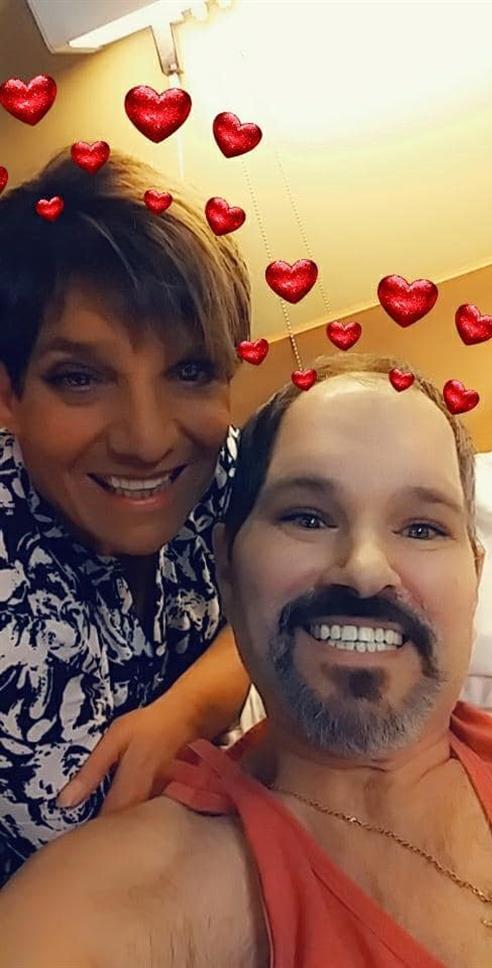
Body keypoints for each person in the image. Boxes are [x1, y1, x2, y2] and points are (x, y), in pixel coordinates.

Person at [0, 354, 492, 968]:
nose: (365, 570)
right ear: (227, 568)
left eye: (421, 528)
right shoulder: (123, 905)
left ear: (475, 573)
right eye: (307, 517)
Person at [0, 147, 252, 886]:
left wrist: (192, 704)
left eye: (190, 370)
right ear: (8, 396)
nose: (147, 440)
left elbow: (296, 595)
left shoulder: (219, 466)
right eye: (80, 378)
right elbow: (115, 873)